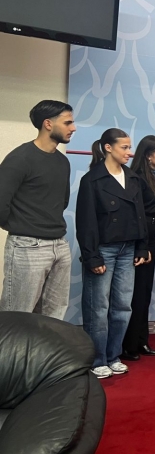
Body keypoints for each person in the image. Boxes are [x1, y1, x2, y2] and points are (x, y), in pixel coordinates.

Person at [76, 128, 150, 379]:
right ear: (108, 148)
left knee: (122, 306)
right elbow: (85, 222)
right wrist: (92, 256)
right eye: (124, 147)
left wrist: (142, 246)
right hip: (103, 250)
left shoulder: (133, 178)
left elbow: (140, 216)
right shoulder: (92, 180)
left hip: (129, 249)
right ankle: (97, 359)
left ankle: (113, 356)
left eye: (130, 147)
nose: (130, 152)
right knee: (98, 307)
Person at [0, 100, 76, 319]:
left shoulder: (62, 162)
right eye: (68, 122)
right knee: (17, 317)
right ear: (48, 124)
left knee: (54, 317)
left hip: (59, 245)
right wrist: (22, 227)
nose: (73, 128)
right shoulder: (20, 158)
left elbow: (61, 202)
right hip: (26, 246)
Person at [122, 135, 155, 360]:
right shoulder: (137, 177)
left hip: (151, 236)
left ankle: (141, 340)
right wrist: (143, 243)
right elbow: (136, 211)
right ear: (149, 155)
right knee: (134, 292)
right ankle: (128, 344)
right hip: (139, 238)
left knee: (145, 291)